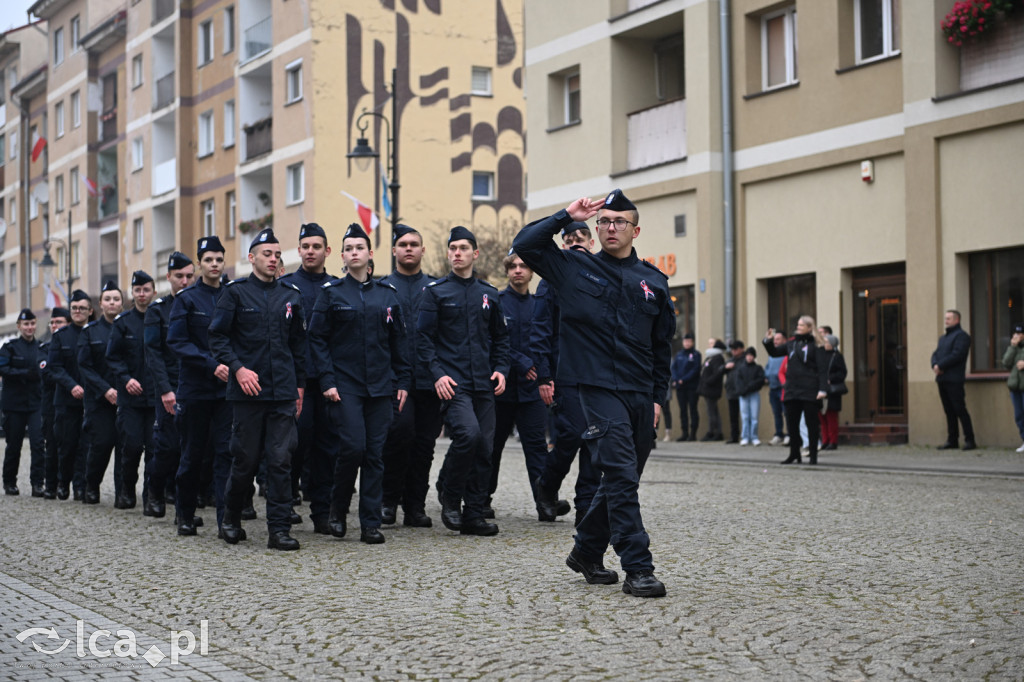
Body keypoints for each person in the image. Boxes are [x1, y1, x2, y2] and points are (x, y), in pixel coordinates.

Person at [513, 188, 675, 599]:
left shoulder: (653, 282)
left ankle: (586, 551)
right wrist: (566, 214)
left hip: (640, 392)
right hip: (595, 389)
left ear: (635, 230)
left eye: (619, 221)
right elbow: (526, 244)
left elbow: (662, 347)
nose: (610, 228)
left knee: (624, 478)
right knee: (620, 473)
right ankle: (638, 566)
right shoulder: (572, 268)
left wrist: (658, 397)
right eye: (604, 222)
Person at [308, 223, 409, 544]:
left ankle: (370, 523)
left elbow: (399, 343)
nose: (354, 253)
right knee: (353, 448)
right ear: (342, 256)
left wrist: (403, 380)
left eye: (359, 248)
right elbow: (317, 340)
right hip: (345, 386)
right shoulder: (331, 294)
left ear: (369, 254)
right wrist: (327, 380)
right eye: (349, 249)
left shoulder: (387, 296)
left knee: (375, 455)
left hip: (381, 387)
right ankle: (337, 510)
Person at [210, 228, 307, 551]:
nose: (273, 259)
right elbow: (218, 339)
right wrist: (238, 369)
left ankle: (278, 530)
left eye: (277, 254)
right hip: (247, 394)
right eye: (267, 254)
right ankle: (231, 518)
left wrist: (300, 387)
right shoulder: (235, 294)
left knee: (280, 460)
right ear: (251, 258)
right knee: (245, 461)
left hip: (282, 392)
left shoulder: (291, 295)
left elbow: (298, 346)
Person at [418, 225, 509, 537]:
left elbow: (501, 339)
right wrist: (438, 375)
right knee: (468, 436)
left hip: (484, 383)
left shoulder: (489, 294)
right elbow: (423, 341)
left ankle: (474, 514)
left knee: (486, 447)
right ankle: (450, 495)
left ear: (475, 254)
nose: (457, 253)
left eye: (463, 248)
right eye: (452, 248)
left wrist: (501, 368)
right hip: (453, 384)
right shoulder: (436, 293)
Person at [530, 221, 597, 527]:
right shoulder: (551, 281)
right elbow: (541, 331)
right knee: (571, 435)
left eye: (580, 239)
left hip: (596, 372)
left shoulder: (601, 276)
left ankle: (586, 505)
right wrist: (544, 376)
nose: (574, 245)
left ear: (591, 243)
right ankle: (547, 483)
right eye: (568, 241)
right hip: (563, 372)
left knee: (595, 439)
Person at [379, 224, 443, 529]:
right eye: (402, 244)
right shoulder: (381, 288)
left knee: (424, 445)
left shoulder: (435, 288)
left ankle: (415, 506)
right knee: (397, 438)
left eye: (414, 244)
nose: (408, 248)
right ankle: (388, 501)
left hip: (429, 381)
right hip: (394, 382)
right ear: (394, 250)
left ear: (422, 250)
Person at [167, 236, 232, 537]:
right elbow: (177, 342)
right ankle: (185, 514)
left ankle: (225, 520)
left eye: (219, 259)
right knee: (192, 455)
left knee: (225, 454)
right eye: (209, 260)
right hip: (195, 390)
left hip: (225, 392)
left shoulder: (232, 296)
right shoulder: (187, 299)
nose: (215, 265)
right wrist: (210, 364)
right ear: (200, 264)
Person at [488, 251, 552, 520]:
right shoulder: (497, 302)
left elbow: (545, 340)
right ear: (507, 271)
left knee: (537, 448)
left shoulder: (539, 303)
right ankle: (482, 498)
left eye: (523, 266)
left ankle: (544, 502)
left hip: (531, 391)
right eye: (512, 266)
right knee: (492, 447)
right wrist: (520, 362)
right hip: (501, 389)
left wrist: (546, 375)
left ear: (531, 271)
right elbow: (494, 341)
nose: (518, 270)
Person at [279, 223, 334, 514]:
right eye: (305, 246)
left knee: (327, 446)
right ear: (298, 250)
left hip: (329, 381)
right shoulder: (285, 286)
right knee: (294, 444)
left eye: (316, 247)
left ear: (327, 251)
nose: (310, 251)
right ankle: (286, 502)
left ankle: (322, 510)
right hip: (294, 381)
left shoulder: (337, 286)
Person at [142, 252, 195, 518]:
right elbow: (153, 354)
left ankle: (183, 500)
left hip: (195, 384)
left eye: (189, 276)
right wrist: (165, 390)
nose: (184, 281)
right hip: (170, 387)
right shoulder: (158, 310)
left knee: (193, 447)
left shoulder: (200, 303)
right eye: (179, 276)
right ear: (169, 277)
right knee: (168, 446)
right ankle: (155, 490)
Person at [107, 271, 159, 510]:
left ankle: (151, 496)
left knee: (155, 449)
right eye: (137, 290)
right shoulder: (123, 322)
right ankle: (127, 489)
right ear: (132, 293)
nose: (142, 294)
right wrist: (126, 379)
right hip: (131, 398)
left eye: (146, 289)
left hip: (157, 396)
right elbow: (113, 357)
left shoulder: (161, 318)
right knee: (132, 446)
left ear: (153, 292)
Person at [78, 282, 123, 505]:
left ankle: (123, 492)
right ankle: (92, 485)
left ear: (122, 303)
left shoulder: (129, 327)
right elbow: (85, 366)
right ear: (100, 304)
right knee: (102, 444)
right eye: (108, 299)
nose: (112, 303)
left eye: (116, 299)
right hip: (99, 399)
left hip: (126, 397)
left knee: (126, 447)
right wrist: (105, 390)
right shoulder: (90, 332)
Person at [762, 316, 828, 465]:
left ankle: (813, 456)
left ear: (810, 328)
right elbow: (774, 352)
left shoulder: (817, 345)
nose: (798, 327)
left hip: (810, 388)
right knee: (792, 424)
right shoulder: (791, 343)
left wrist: (823, 389)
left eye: (801, 325)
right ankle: (794, 454)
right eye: (798, 324)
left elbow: (823, 369)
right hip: (792, 388)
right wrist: (768, 341)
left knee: (811, 424)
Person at [1, 309, 45, 496]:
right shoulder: (9, 347)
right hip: (14, 404)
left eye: (32, 324)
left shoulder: (42, 347)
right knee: (14, 445)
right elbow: (3, 368)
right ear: (19, 326)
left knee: (37, 444)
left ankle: (37, 484)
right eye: (26, 324)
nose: (29, 327)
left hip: (35, 403)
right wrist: (24, 374)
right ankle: (9, 482)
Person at [931, 309, 976, 450]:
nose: (946, 321)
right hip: (942, 378)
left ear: (957, 320)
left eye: (949, 318)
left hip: (954, 379)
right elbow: (935, 354)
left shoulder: (962, 337)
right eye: (945, 318)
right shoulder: (943, 339)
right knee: (948, 411)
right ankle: (952, 440)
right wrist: (935, 365)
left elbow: (958, 355)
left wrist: (941, 365)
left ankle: (970, 440)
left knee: (959, 409)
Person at [39, 307, 70, 498]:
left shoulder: (74, 343)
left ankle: (71, 485)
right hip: (51, 404)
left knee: (74, 446)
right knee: (52, 445)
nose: (54, 326)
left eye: (59, 322)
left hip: (71, 402)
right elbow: (47, 373)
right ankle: (50, 485)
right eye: (52, 322)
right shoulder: (44, 349)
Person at [670, 332, 701, 441]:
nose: (687, 343)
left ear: (692, 342)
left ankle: (693, 434)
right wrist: (676, 379)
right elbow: (673, 368)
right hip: (680, 387)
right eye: (685, 341)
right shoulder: (679, 354)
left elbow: (695, 370)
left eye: (689, 341)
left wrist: (684, 379)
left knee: (692, 409)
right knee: (682, 411)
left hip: (692, 387)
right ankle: (684, 433)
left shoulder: (696, 354)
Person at [821, 334, 847, 451]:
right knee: (822, 417)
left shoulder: (837, 356)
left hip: (832, 391)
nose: (824, 344)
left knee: (831, 417)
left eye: (826, 342)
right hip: (821, 389)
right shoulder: (820, 355)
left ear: (832, 344)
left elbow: (842, 373)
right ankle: (825, 440)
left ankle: (833, 441)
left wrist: (831, 378)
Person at [698, 339, 727, 441]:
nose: (709, 345)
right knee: (713, 411)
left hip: (712, 389)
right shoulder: (710, 357)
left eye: (711, 343)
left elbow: (717, 374)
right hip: (707, 389)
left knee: (712, 412)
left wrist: (707, 381)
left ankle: (713, 432)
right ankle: (716, 432)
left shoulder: (717, 358)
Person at [735, 346, 765, 446]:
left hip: (754, 394)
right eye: (748, 355)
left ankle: (754, 437)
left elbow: (760, 381)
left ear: (754, 357)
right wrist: (742, 390)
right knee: (745, 416)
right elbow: (738, 382)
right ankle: (745, 437)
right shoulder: (741, 369)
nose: (749, 357)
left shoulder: (758, 368)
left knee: (754, 416)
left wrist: (748, 387)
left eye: (751, 355)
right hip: (743, 395)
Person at [765, 332, 788, 446]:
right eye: (774, 339)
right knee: (776, 413)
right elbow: (768, 368)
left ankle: (789, 435)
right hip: (773, 388)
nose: (775, 341)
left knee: (787, 412)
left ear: (784, 340)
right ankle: (779, 434)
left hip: (782, 388)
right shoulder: (772, 354)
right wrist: (766, 376)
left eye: (778, 339)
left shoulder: (785, 354)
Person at [1004, 325, 1024, 453]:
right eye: (1016, 334)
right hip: (1015, 387)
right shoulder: (1015, 348)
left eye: (1020, 334)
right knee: (1019, 415)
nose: (1017, 336)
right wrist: (1013, 346)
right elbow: (1006, 362)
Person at [723, 340, 745, 444]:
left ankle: (746, 436)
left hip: (742, 391)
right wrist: (725, 367)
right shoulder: (730, 360)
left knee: (745, 415)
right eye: (732, 349)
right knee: (733, 416)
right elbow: (720, 370)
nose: (734, 351)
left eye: (735, 349)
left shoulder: (745, 359)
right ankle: (734, 436)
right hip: (731, 391)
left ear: (741, 349)